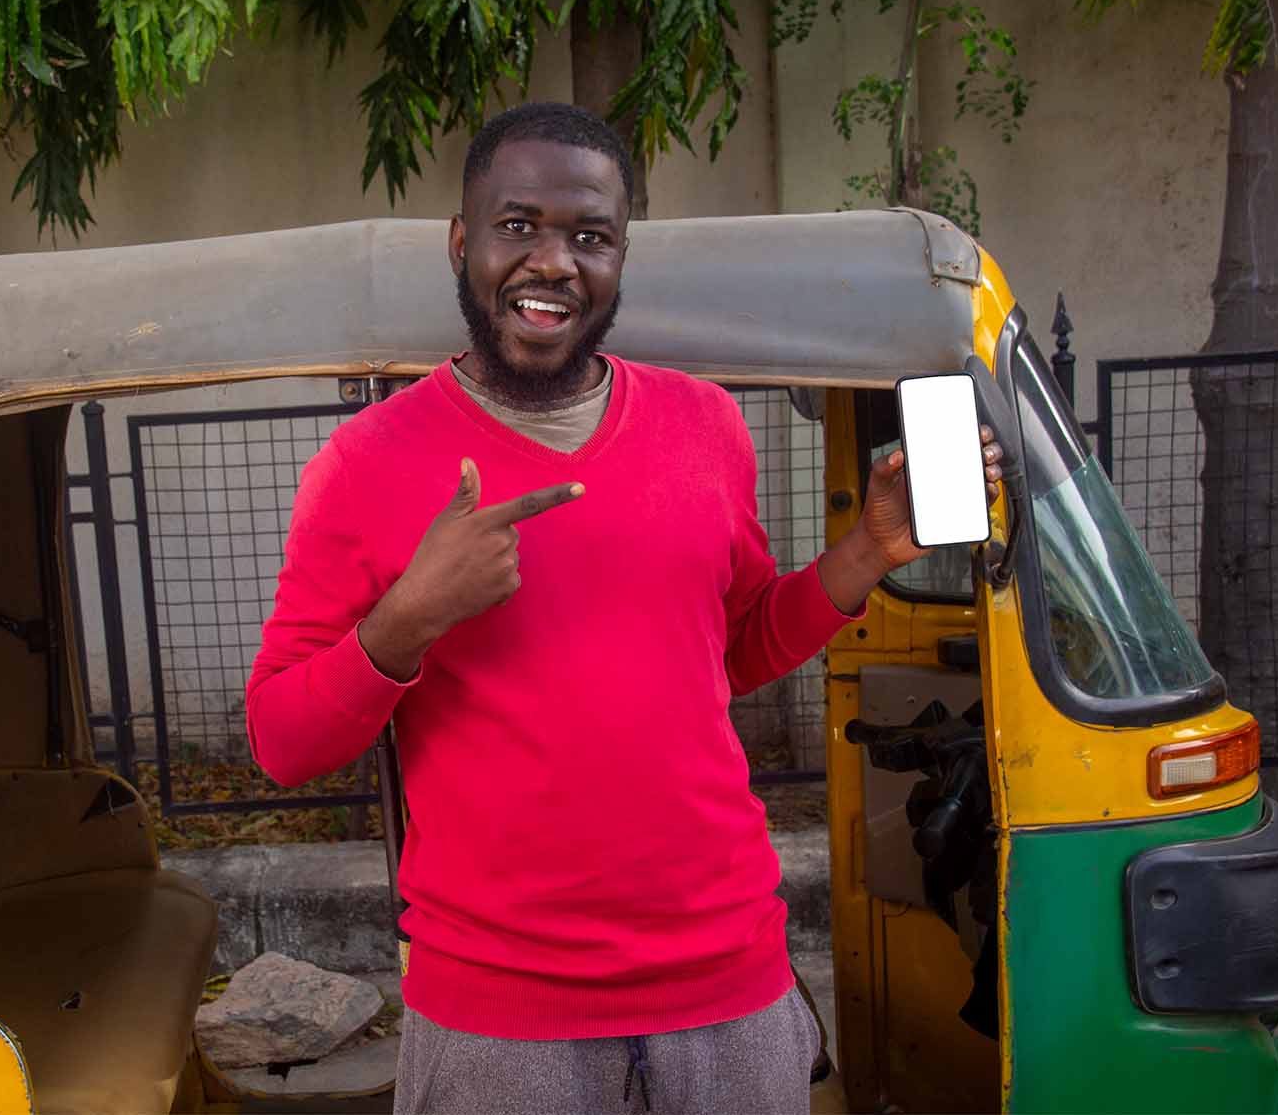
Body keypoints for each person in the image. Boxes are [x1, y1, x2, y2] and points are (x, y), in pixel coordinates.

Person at [245, 102, 1003, 1115]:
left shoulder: (705, 425)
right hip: (498, 1017)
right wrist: (407, 619)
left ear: (618, 259)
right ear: (463, 244)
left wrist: (867, 551)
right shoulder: (365, 465)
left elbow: (729, 651)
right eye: (518, 225)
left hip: (727, 979)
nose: (552, 260)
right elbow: (282, 742)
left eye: (588, 236)